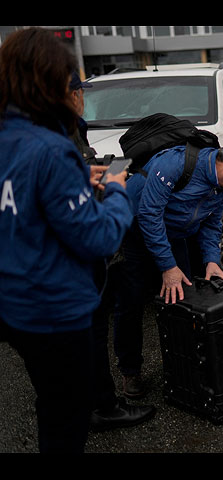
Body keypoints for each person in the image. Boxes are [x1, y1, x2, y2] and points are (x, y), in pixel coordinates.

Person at [0, 27, 133, 453]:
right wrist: (114, 188)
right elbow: (98, 237)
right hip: (54, 310)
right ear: (50, 80)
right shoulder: (52, 149)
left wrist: (75, 176)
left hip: (13, 304)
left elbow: (26, 200)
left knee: (49, 399)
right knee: (65, 419)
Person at [112, 136, 223, 398]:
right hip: (135, 227)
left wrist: (212, 260)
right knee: (131, 302)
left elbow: (211, 223)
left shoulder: (222, 187)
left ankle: (184, 366)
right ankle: (130, 370)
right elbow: (149, 214)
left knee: (183, 297)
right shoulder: (173, 165)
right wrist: (167, 266)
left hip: (174, 232)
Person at [66, 71, 157, 431]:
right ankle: (101, 406)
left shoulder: (49, 128)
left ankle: (89, 400)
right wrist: (115, 187)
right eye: (79, 91)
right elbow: (73, 197)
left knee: (87, 329)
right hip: (85, 252)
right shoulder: (59, 130)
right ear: (69, 93)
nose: (82, 97)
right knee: (93, 326)